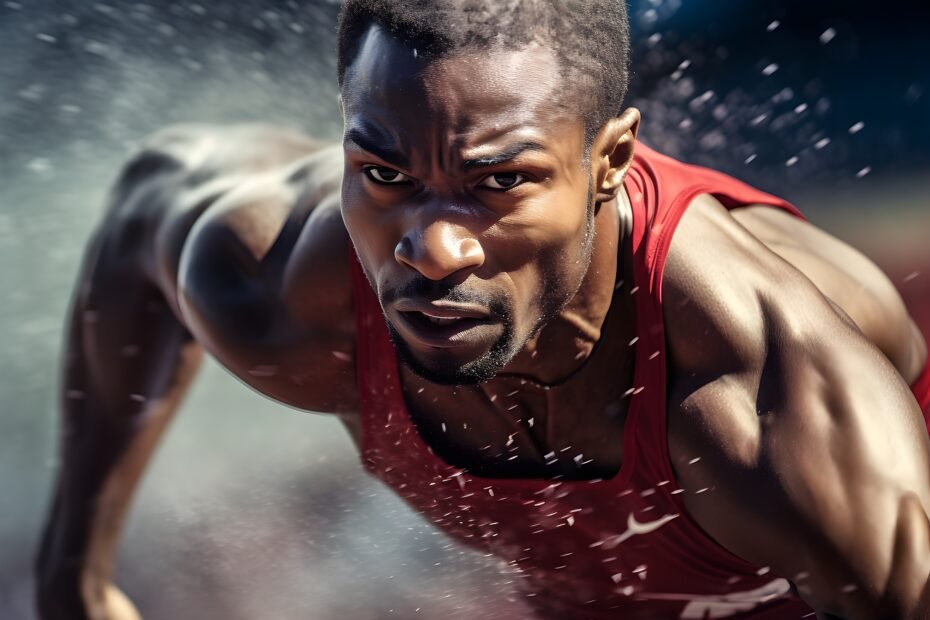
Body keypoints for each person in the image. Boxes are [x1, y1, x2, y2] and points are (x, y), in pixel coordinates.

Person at [35, 1, 930, 618]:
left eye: (499, 183)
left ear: (611, 160)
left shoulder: (771, 413)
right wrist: (75, 570)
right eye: (385, 175)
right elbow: (141, 210)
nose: (430, 250)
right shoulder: (281, 289)